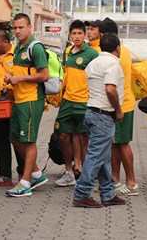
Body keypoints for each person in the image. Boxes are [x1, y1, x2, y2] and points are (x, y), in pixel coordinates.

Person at [72, 33, 126, 208]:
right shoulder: (112, 64)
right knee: (96, 156)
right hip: (104, 113)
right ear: (118, 48)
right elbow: (110, 89)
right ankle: (81, 193)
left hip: (91, 111)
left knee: (103, 156)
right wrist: (118, 110)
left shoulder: (93, 62)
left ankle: (108, 193)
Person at [3, 13, 49, 197]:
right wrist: (10, 78)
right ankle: (36, 173)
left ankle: (25, 183)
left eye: (21, 27)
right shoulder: (19, 48)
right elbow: (21, 72)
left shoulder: (35, 48)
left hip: (31, 100)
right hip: (19, 100)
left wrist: (20, 78)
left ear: (30, 27)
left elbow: (44, 75)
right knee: (15, 138)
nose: (17, 31)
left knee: (29, 141)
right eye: (15, 27)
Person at [55, 20, 99, 187]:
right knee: (64, 136)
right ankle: (68, 172)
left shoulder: (92, 54)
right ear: (70, 35)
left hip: (85, 102)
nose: (77, 36)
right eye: (74, 33)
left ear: (85, 35)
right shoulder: (67, 52)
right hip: (67, 102)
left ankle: (85, 175)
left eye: (80, 33)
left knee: (83, 139)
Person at [99, 18, 139, 196]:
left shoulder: (114, 55)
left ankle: (132, 182)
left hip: (120, 105)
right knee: (116, 144)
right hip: (123, 102)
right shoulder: (123, 51)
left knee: (122, 144)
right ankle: (115, 179)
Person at [0, 28, 25, 186]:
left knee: (18, 139)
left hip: (16, 104)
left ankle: (24, 173)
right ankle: (4, 175)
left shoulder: (18, 56)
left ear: (6, 42)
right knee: (0, 139)